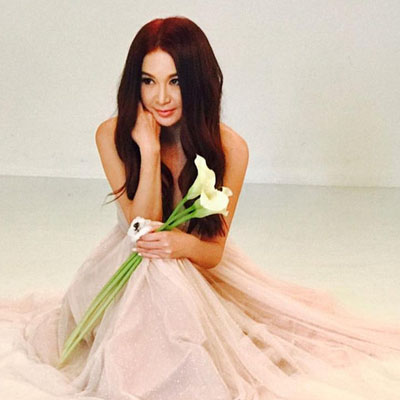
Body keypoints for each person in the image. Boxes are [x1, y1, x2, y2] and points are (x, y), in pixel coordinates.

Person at [1, 16, 400, 400]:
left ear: (197, 82)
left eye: (175, 81)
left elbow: (213, 252)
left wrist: (181, 246)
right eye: (148, 81)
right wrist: (149, 148)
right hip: (125, 262)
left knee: (165, 266)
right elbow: (140, 229)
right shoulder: (112, 135)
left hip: (193, 265)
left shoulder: (230, 148)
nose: (161, 97)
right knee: (153, 261)